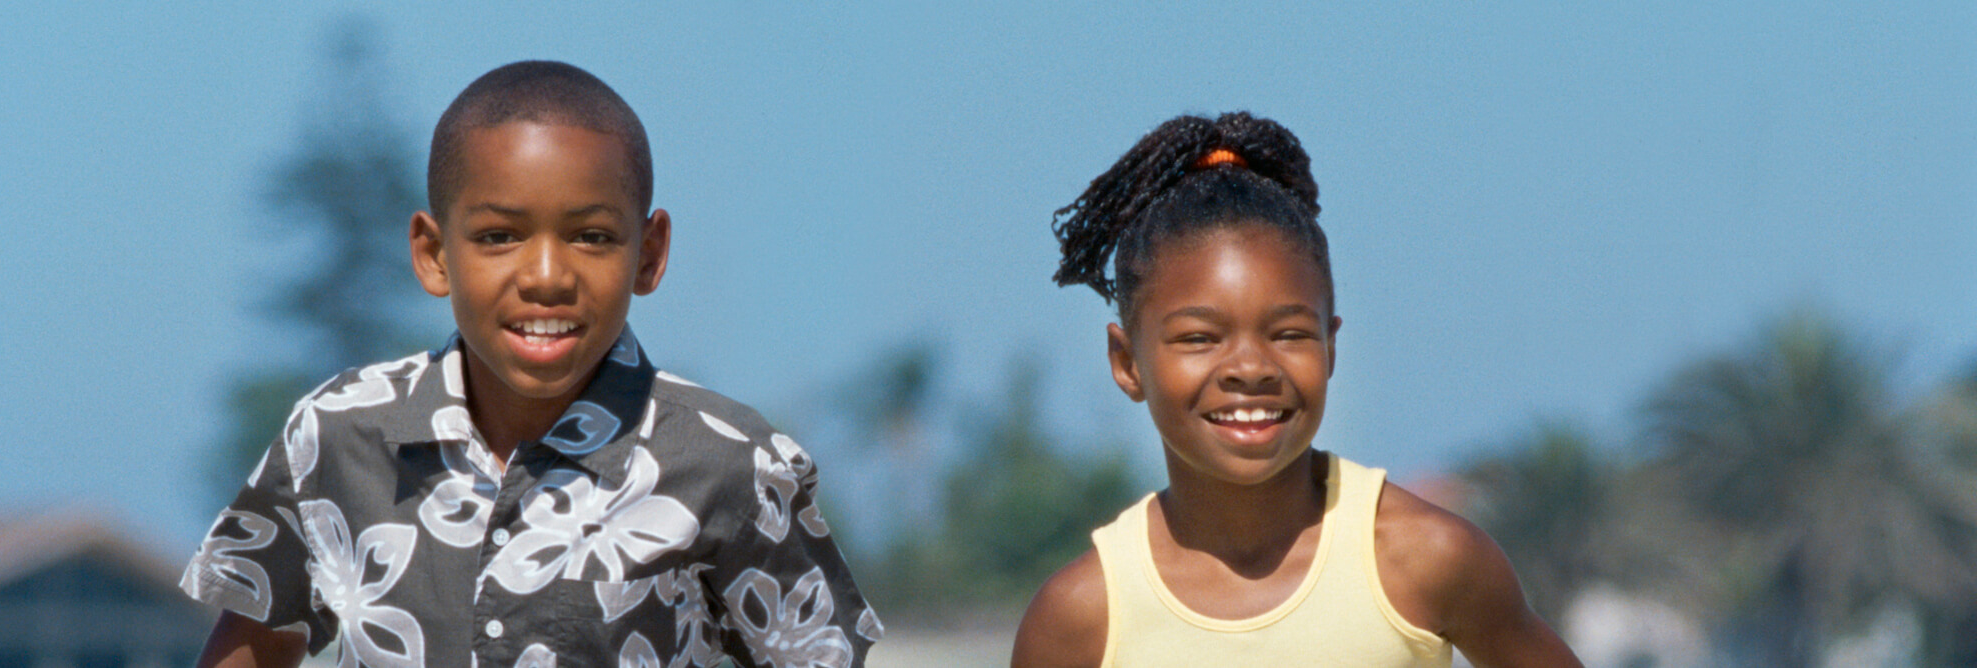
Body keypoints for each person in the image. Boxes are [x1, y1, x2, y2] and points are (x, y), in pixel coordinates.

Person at [182, 61, 879, 668]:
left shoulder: (727, 464)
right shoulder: (339, 435)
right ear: (433, 253)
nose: (547, 275)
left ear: (649, 253)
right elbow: (257, 647)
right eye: (498, 236)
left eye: (592, 236)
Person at [1009, 112, 1580, 667]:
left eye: (1289, 333)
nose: (1251, 366)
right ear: (1127, 361)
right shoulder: (1084, 620)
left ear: (1330, 347)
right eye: (1200, 337)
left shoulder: (1425, 560)